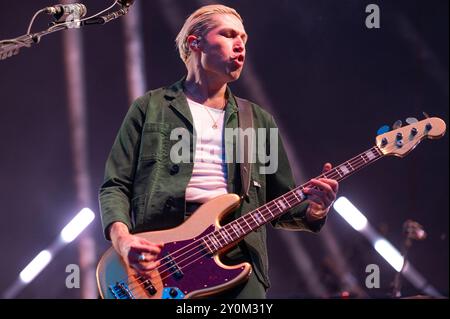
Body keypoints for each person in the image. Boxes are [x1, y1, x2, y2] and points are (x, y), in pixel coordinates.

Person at [99, 4, 338, 299]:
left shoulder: (258, 120)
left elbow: (282, 202)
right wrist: (123, 240)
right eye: (228, 35)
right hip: (160, 260)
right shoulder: (150, 108)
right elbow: (115, 185)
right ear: (194, 42)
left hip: (239, 261)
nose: (240, 45)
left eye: (244, 39)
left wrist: (317, 208)